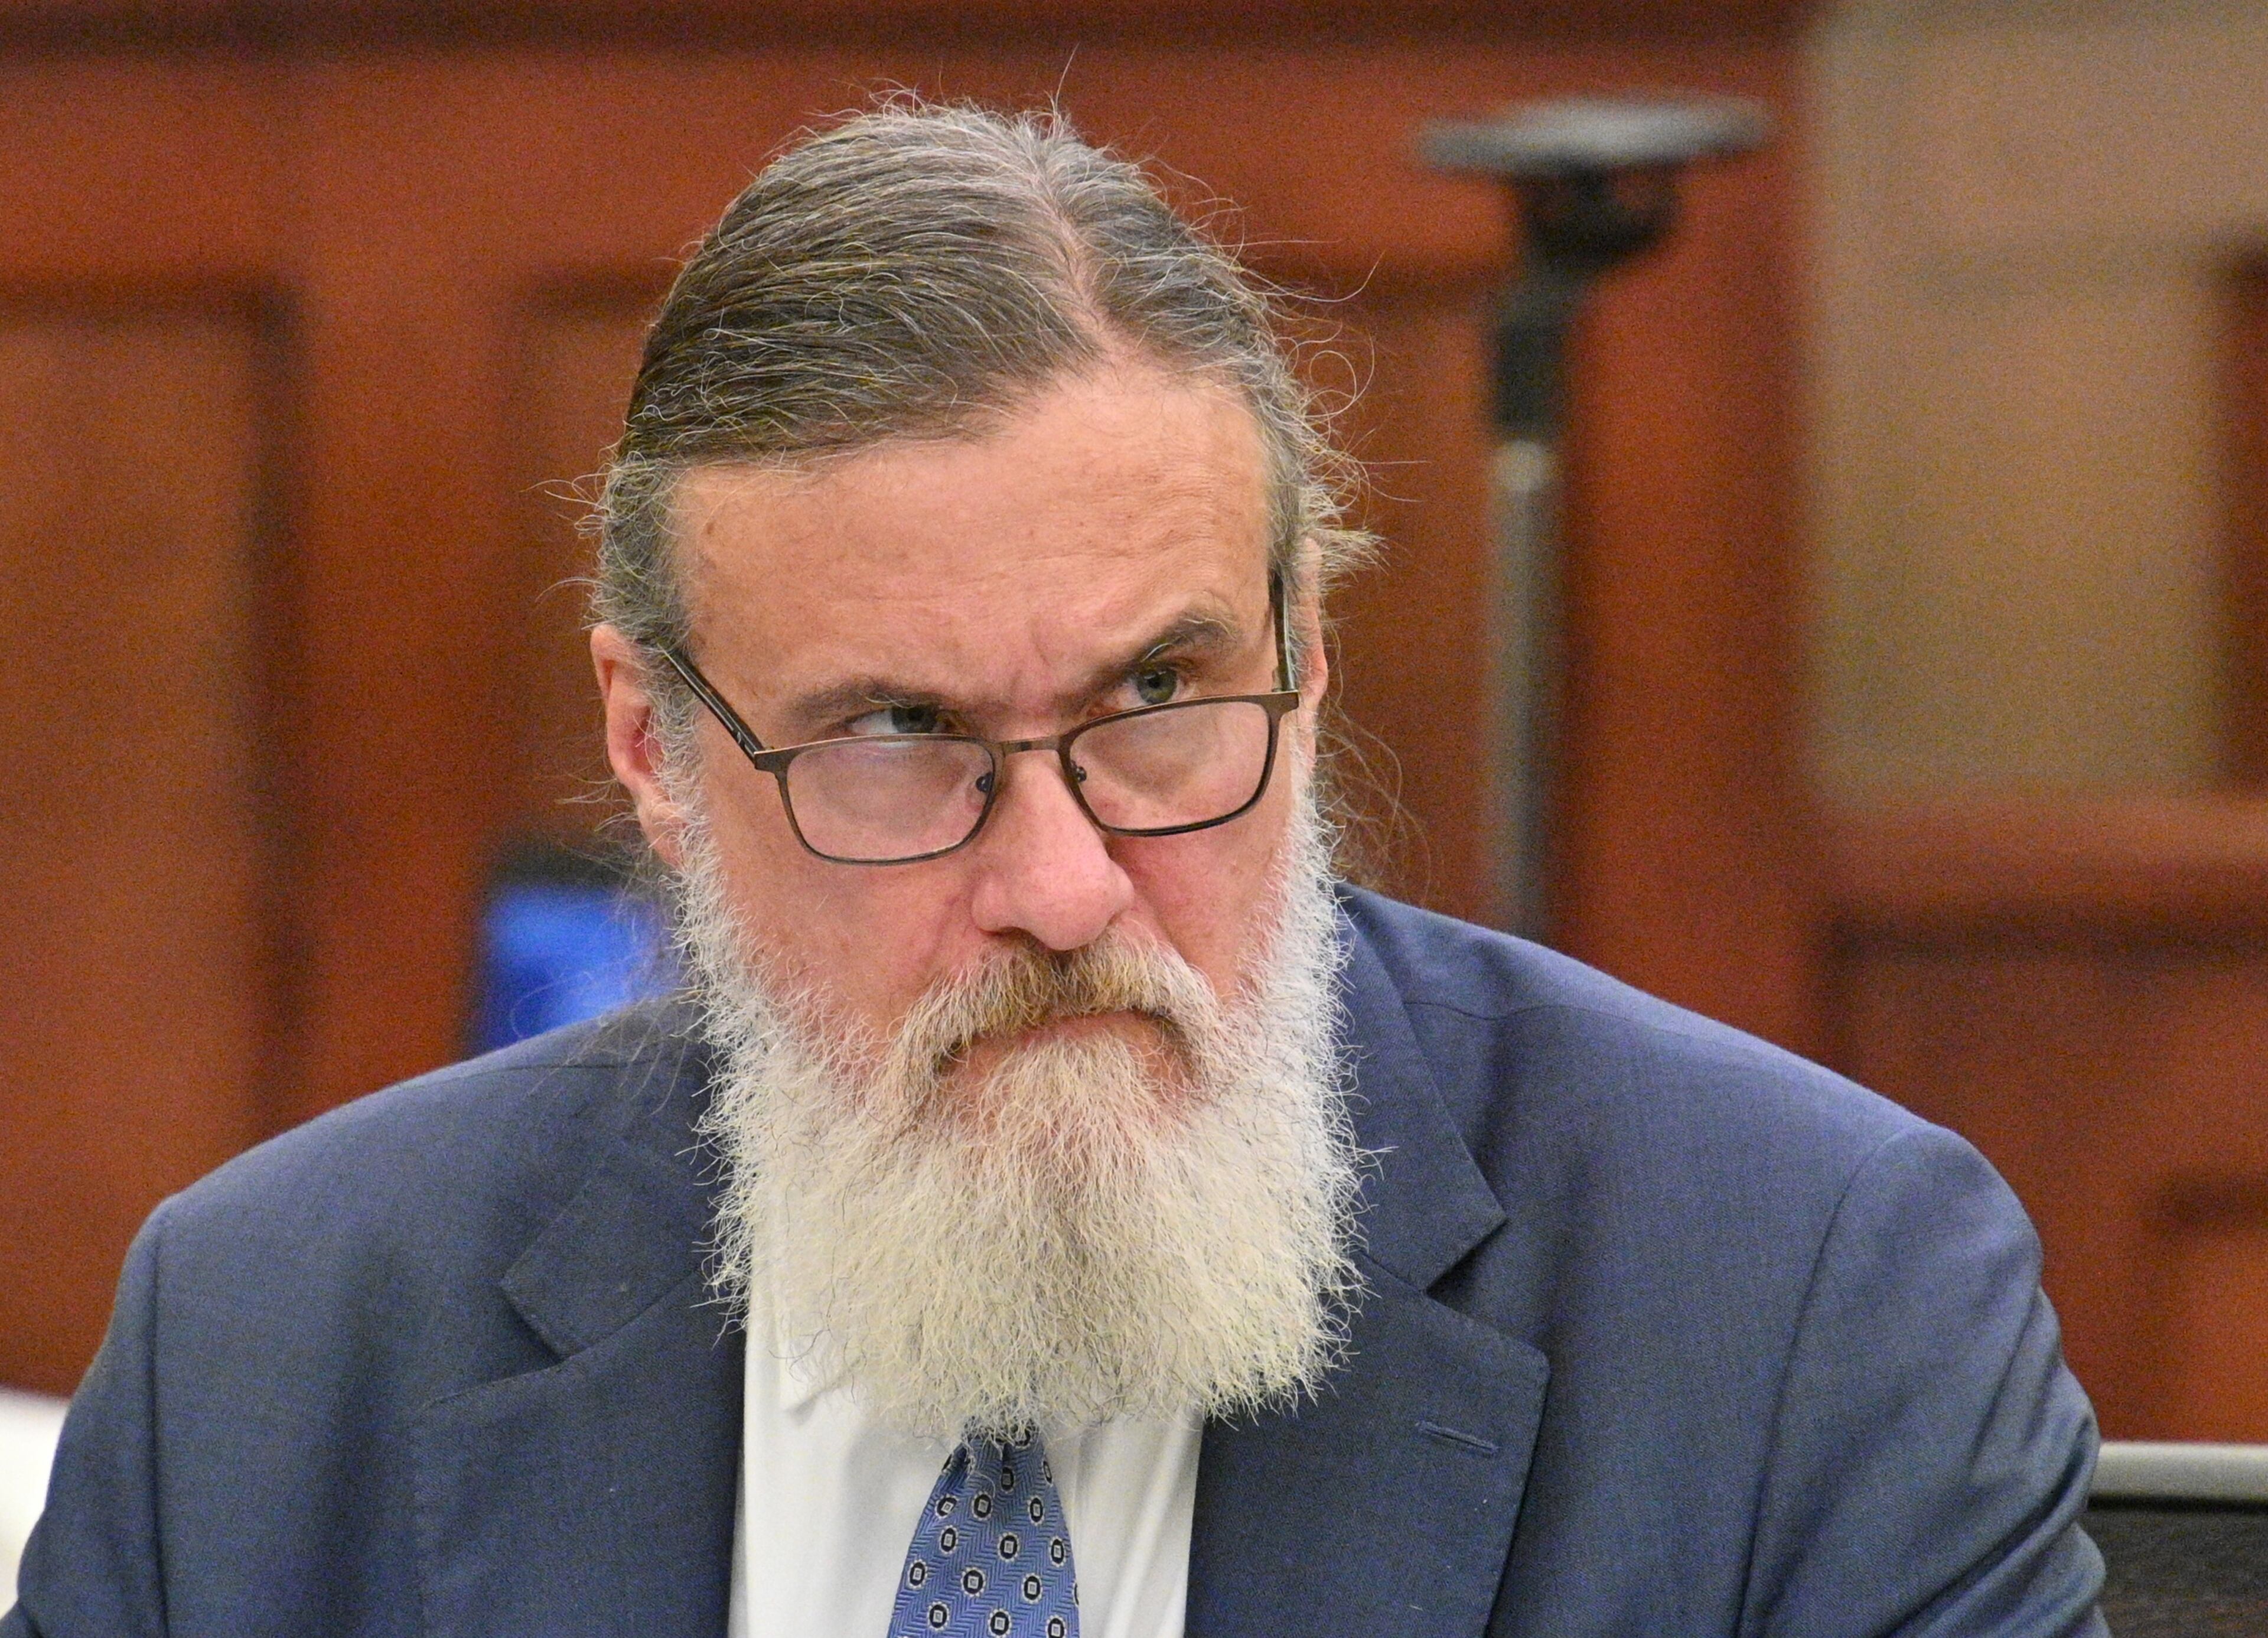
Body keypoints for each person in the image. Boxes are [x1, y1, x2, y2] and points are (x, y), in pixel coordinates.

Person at [5, 102, 2104, 1638]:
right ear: (654, 747)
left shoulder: (1801, 1305)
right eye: (900, 734)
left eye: (1162, 694)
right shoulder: (271, 1358)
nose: (1070, 886)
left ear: (1306, 649)